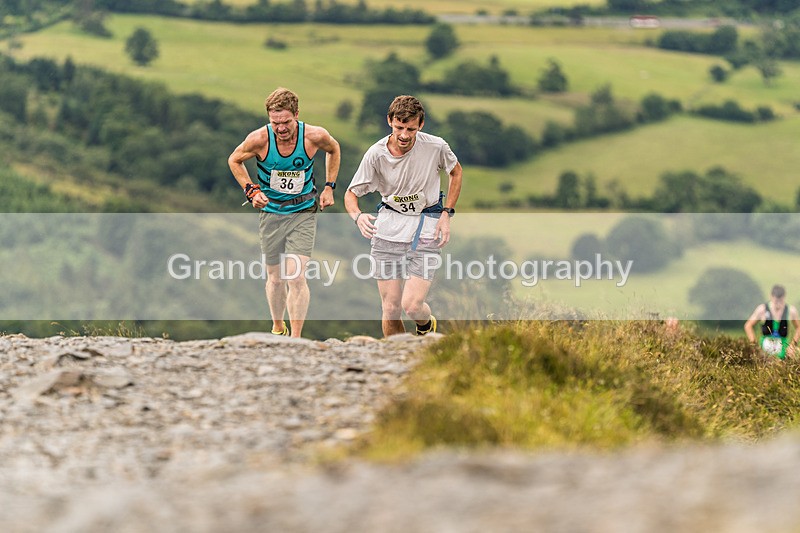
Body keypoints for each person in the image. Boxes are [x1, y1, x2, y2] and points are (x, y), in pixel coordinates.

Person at [344, 95, 462, 338]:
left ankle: (425, 326)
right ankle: (394, 359)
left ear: (421, 125)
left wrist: (446, 214)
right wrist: (357, 216)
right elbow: (351, 194)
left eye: (410, 128)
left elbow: (456, 172)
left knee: (412, 305)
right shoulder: (375, 154)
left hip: (427, 225)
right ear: (389, 122)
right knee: (390, 307)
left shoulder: (436, 146)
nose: (405, 135)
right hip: (389, 226)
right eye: (399, 127)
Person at [228, 87, 341, 338]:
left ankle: (296, 339)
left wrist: (329, 187)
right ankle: (279, 327)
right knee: (276, 278)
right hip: (271, 212)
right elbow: (234, 160)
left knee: (296, 276)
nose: (281, 128)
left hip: (303, 211)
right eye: (275, 122)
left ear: (297, 115)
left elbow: (334, 149)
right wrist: (251, 191)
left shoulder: (314, 136)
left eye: (286, 122)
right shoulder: (259, 139)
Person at [744, 284, 800, 359]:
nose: (778, 304)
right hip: (764, 352)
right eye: (776, 300)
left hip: (783, 351)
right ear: (771, 296)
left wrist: (793, 345)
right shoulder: (762, 309)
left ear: (784, 297)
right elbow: (748, 325)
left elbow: (799, 327)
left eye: (781, 301)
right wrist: (754, 344)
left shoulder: (791, 311)